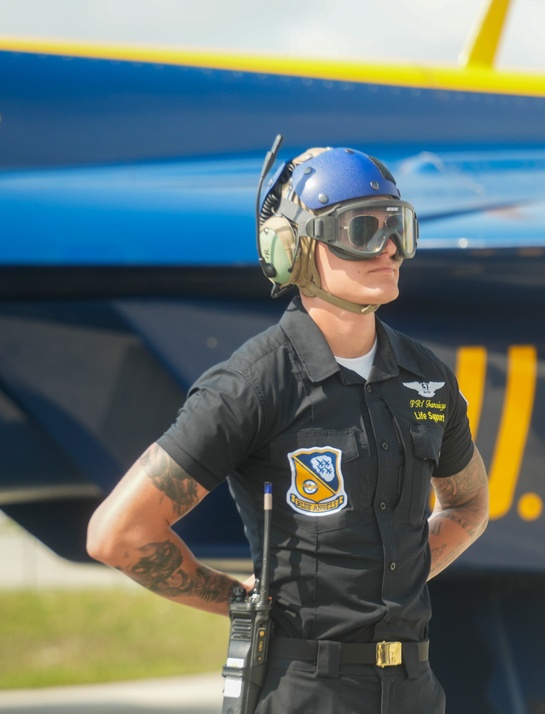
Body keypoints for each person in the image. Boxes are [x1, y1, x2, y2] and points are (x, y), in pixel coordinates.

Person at [86, 139, 490, 713]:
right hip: (304, 692)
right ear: (292, 249)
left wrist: (394, 578)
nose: (392, 248)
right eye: (362, 229)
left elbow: (469, 506)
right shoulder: (253, 384)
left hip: (414, 690)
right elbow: (118, 535)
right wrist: (234, 601)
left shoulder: (426, 378)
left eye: (398, 226)